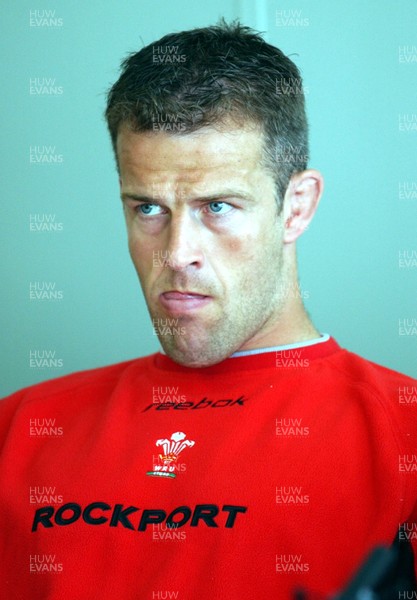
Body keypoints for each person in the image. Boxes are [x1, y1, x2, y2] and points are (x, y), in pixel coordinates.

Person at [1, 20, 416, 600]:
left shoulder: (404, 433)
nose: (176, 254)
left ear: (296, 207)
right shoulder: (17, 429)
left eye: (217, 206)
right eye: (148, 208)